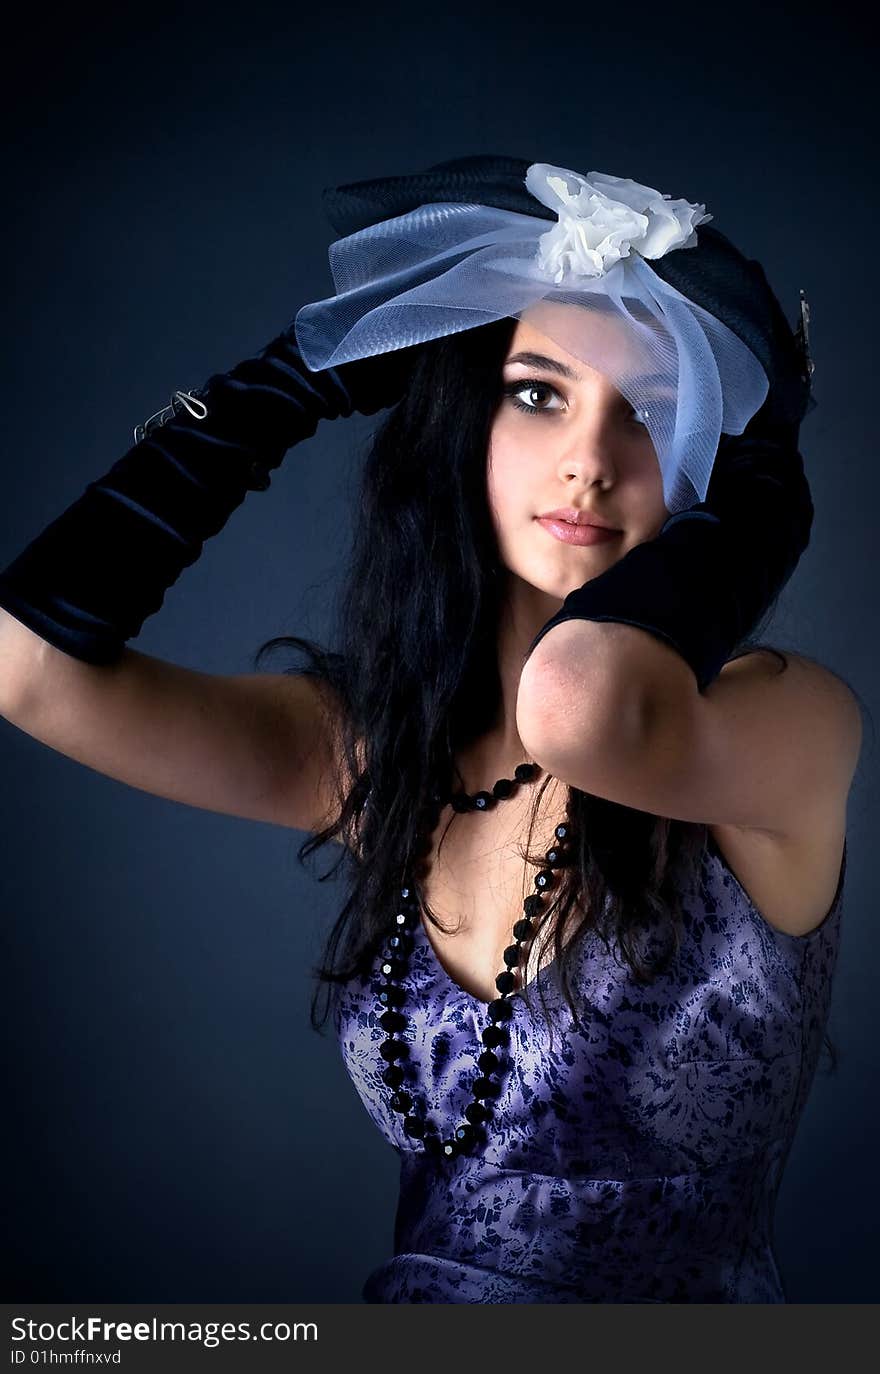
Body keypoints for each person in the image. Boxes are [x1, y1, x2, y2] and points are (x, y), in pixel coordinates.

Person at [0, 154, 863, 1304]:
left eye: (655, 413)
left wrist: (764, 494)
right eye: (537, 391)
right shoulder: (375, 751)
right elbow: (26, 669)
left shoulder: (783, 725)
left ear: (719, 450)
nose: (587, 463)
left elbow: (580, 704)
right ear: (466, 416)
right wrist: (291, 379)